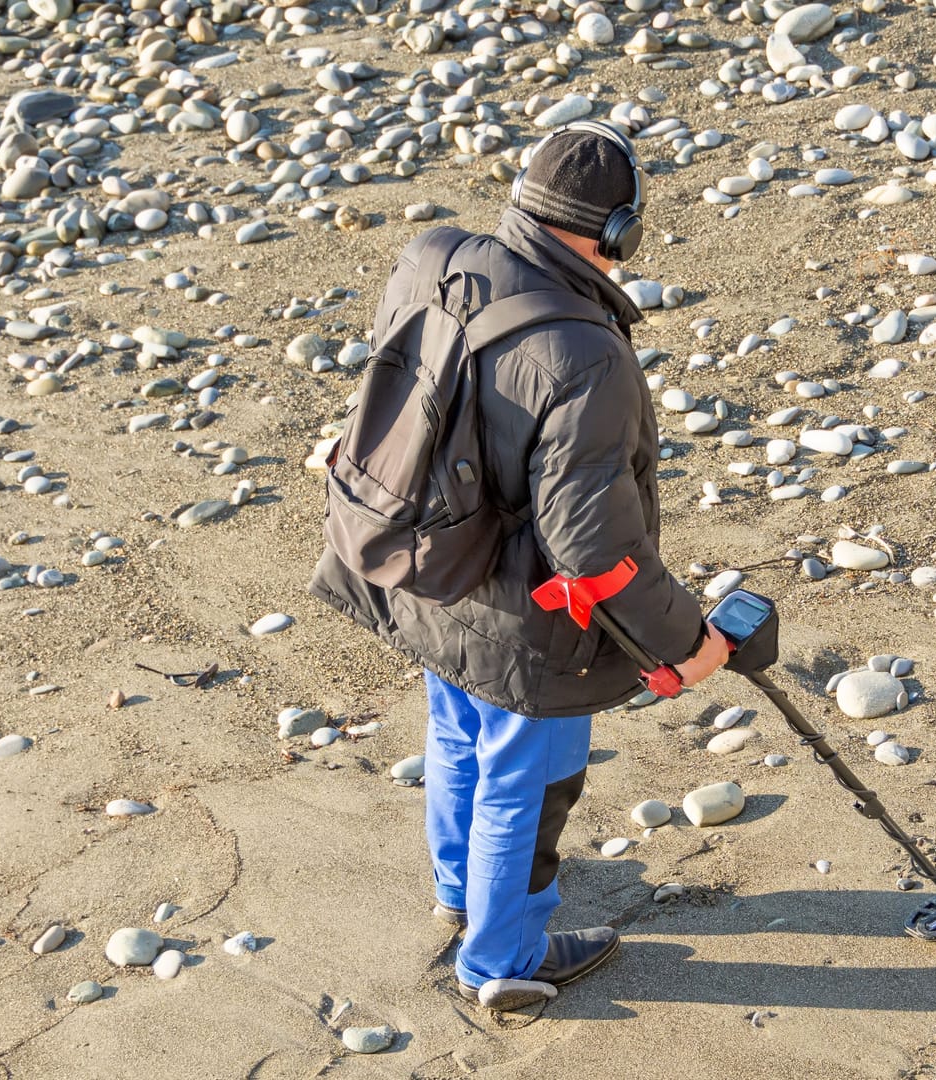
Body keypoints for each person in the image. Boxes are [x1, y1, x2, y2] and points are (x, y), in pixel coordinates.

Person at [309, 122, 730, 1011]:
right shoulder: (587, 354)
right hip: (523, 624)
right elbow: (595, 549)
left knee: (458, 738)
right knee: (527, 782)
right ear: (618, 235)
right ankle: (502, 960)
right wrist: (687, 643)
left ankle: (459, 894)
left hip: (427, 575)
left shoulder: (432, 255)